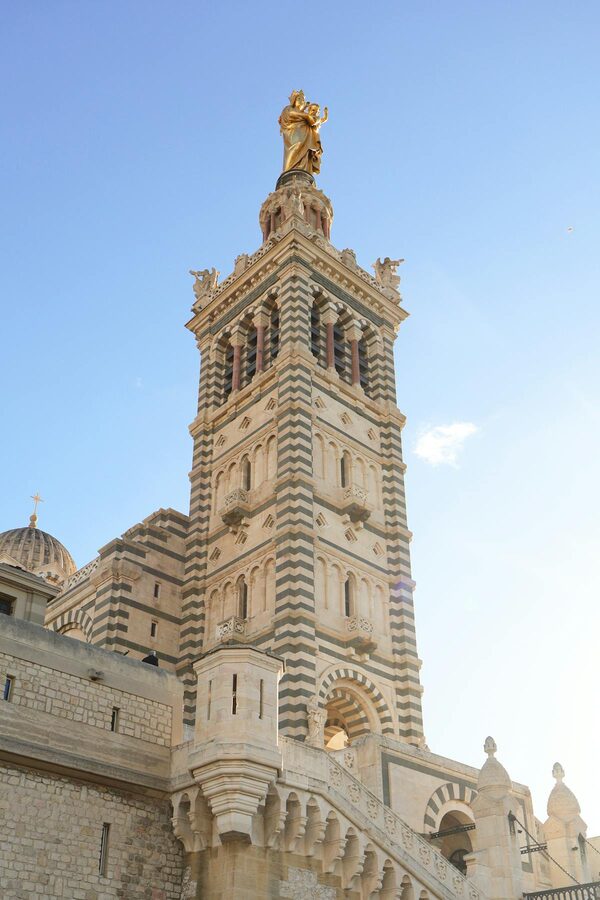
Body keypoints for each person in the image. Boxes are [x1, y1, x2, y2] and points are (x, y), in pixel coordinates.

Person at [278, 90, 328, 175]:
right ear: (294, 100)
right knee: (297, 145)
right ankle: (289, 171)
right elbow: (289, 115)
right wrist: (305, 116)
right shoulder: (288, 108)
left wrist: (321, 117)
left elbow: (314, 123)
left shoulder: (306, 114)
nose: (302, 101)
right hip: (293, 132)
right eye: (299, 99)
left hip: (306, 134)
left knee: (306, 152)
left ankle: (304, 171)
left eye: (303, 100)